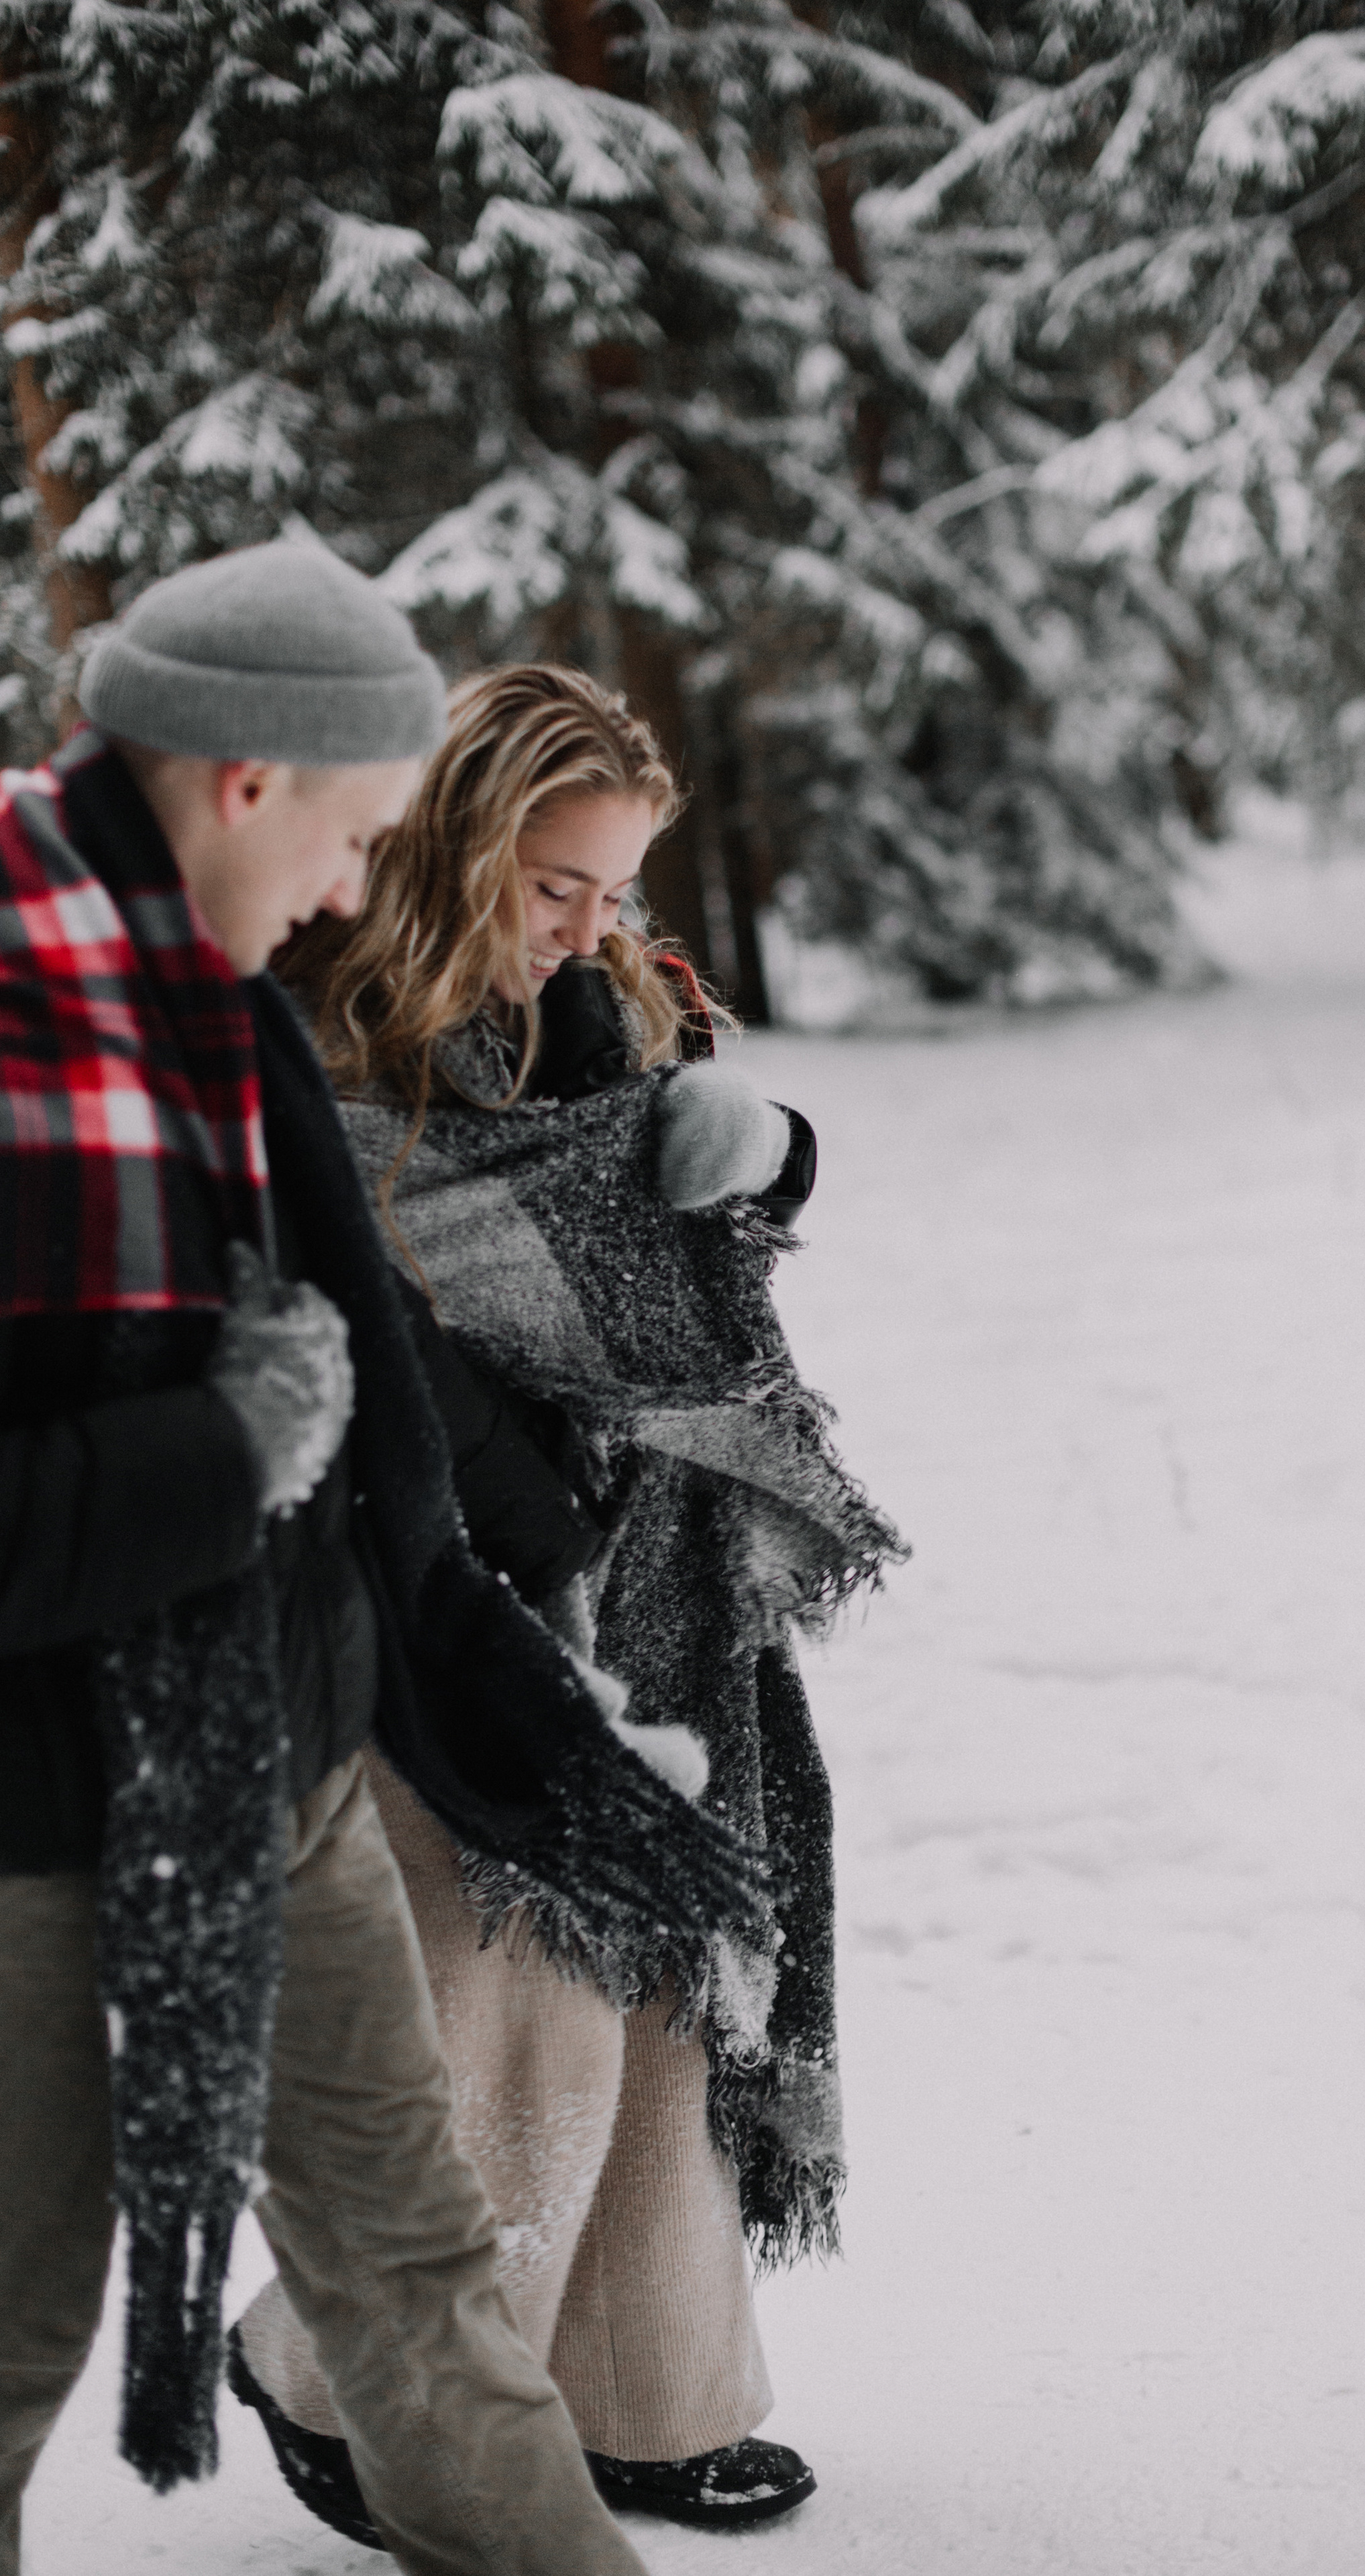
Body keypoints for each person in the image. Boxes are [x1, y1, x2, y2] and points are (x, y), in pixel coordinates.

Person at [0, 549, 767, 2576]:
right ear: (256, 787)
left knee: (427, 2264)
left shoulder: (210, 1004)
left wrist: (536, 1694)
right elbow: (354, 1375)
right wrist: (228, 1446)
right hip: (37, 1794)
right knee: (17, 2324)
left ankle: (608, 2458)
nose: (354, 881)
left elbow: (390, 1439)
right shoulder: (116, 1004)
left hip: (301, 1719)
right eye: (352, 828)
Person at [229, 662, 904, 2539]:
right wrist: (545, 1550)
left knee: (674, 1951)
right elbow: (383, 1339)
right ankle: (355, 2379)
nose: (594, 928)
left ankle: (642, 2385)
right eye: (557, 889)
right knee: (522, 1973)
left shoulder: (601, 1005)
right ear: (452, 844)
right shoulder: (324, 1032)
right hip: (420, 1560)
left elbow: (671, 1237)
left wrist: (766, 1149)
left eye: (616, 889)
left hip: (640, 1554)